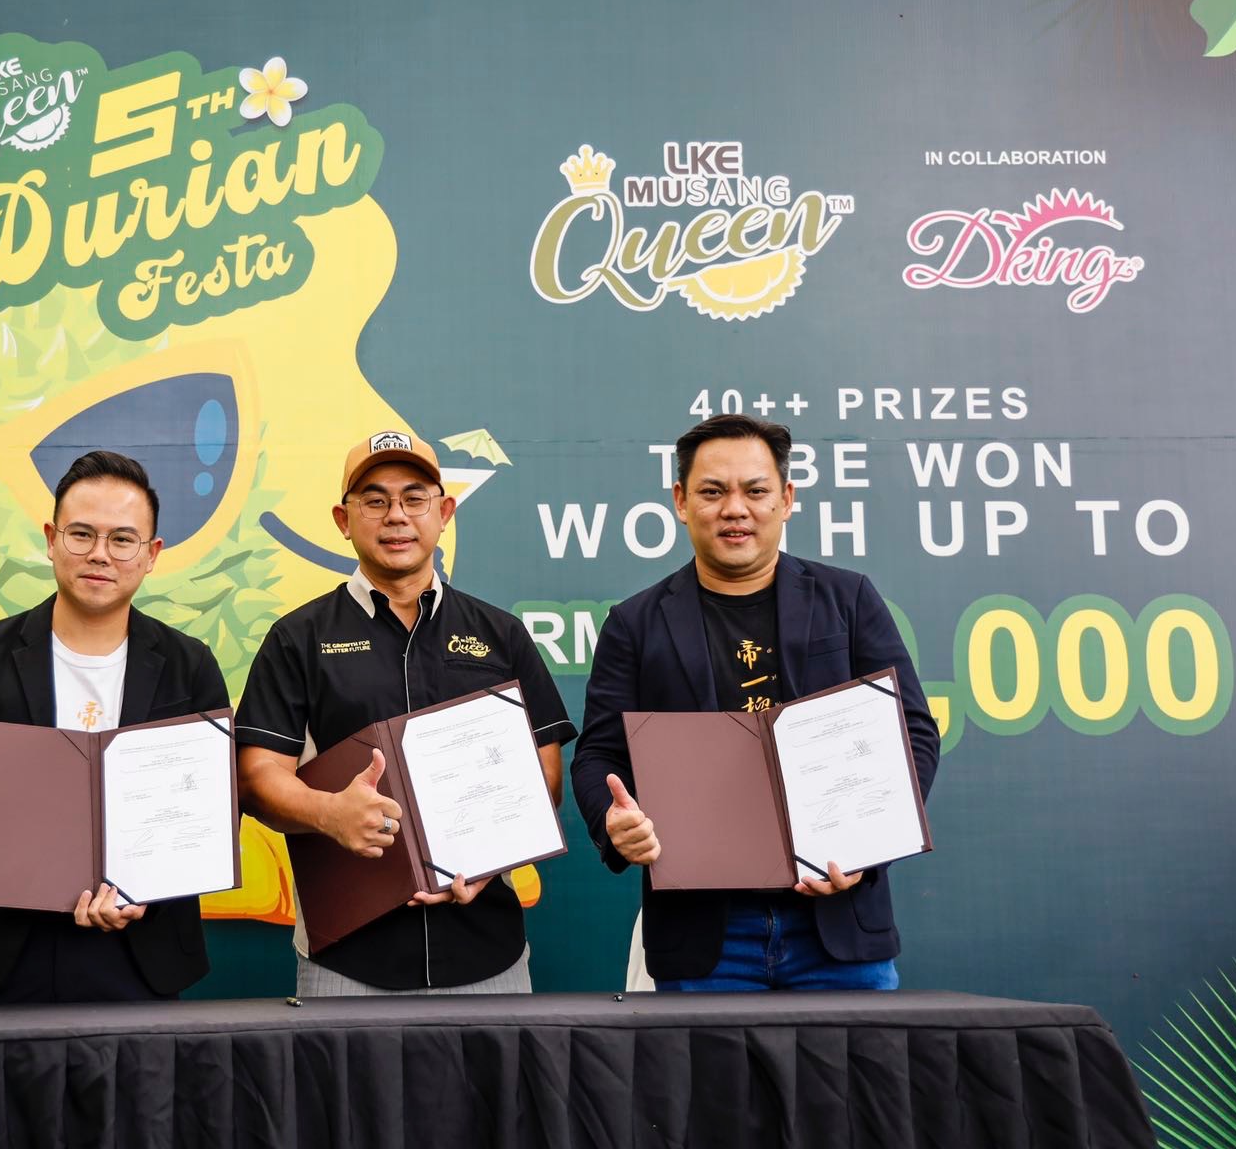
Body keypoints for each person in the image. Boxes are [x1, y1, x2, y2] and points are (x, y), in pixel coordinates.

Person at [570, 414, 939, 991]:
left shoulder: (848, 599)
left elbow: (911, 732)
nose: (735, 509)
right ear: (681, 501)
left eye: (756, 491)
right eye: (712, 492)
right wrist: (611, 820)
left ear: (786, 499)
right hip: (704, 938)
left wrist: (868, 847)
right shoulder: (634, 624)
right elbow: (598, 755)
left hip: (838, 925)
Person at [235, 429, 575, 994]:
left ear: (444, 513)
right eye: (374, 500)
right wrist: (330, 813)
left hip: (487, 948)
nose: (396, 515)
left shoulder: (501, 633)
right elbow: (256, 776)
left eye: (414, 498)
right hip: (347, 955)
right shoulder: (297, 638)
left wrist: (491, 855)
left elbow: (546, 771)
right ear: (343, 520)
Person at [0, 450, 229, 1003]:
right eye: (81, 534)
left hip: (142, 955)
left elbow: (210, 811)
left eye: (123, 539)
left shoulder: (189, 666)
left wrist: (145, 890)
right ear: (51, 539)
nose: (100, 554)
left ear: (151, 554)